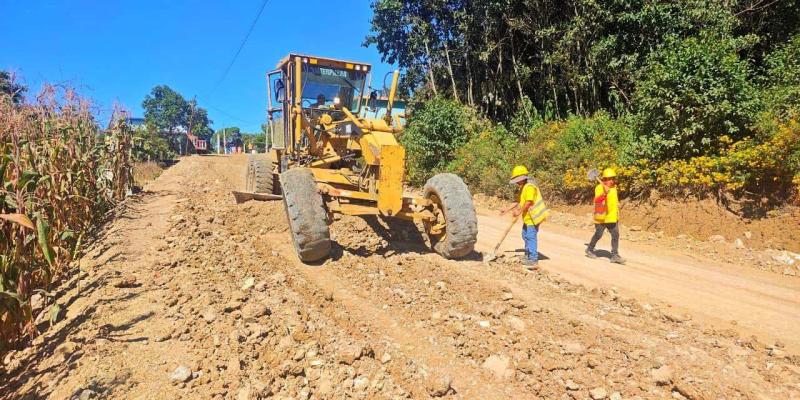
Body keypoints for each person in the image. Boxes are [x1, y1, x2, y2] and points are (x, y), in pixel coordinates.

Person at [503, 165, 550, 270]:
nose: (516, 182)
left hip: (534, 217)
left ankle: (533, 259)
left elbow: (528, 202)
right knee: (525, 235)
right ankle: (528, 255)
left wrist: (519, 211)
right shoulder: (523, 187)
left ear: (522, 178)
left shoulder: (529, 187)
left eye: (517, 180)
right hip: (528, 218)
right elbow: (518, 201)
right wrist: (507, 209)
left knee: (530, 236)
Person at [586, 168, 625, 264]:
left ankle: (615, 255)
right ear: (605, 179)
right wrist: (604, 194)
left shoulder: (614, 187)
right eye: (610, 179)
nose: (612, 181)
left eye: (613, 178)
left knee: (615, 234)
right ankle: (589, 249)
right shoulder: (599, 188)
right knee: (598, 234)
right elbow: (597, 201)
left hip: (611, 216)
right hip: (601, 217)